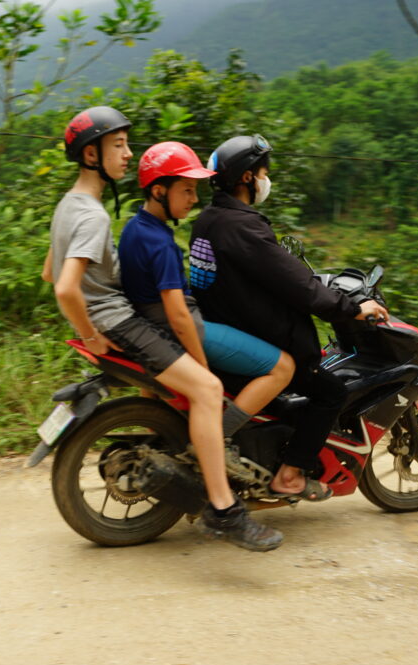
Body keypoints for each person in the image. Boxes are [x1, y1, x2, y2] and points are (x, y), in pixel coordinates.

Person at [41, 109, 282, 551]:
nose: (126, 154)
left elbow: (47, 270)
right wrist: (91, 331)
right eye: (118, 145)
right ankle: (224, 510)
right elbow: (64, 286)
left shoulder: (68, 206)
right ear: (91, 155)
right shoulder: (94, 217)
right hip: (119, 321)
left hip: (115, 317)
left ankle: (186, 462)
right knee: (209, 389)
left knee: (196, 388)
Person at [190, 134, 389, 501]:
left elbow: (269, 275)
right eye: (264, 172)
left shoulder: (208, 220)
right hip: (254, 336)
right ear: (247, 177)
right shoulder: (244, 227)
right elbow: (300, 287)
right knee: (330, 392)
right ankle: (290, 475)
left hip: (226, 324)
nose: (266, 179)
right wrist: (352, 309)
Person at [117, 141, 295, 445]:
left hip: (150, 326)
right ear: (159, 191)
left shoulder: (135, 227)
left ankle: (159, 439)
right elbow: (179, 316)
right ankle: (217, 438)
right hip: (185, 329)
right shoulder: (161, 244)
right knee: (283, 367)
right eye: (187, 190)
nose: (194, 199)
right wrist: (202, 369)